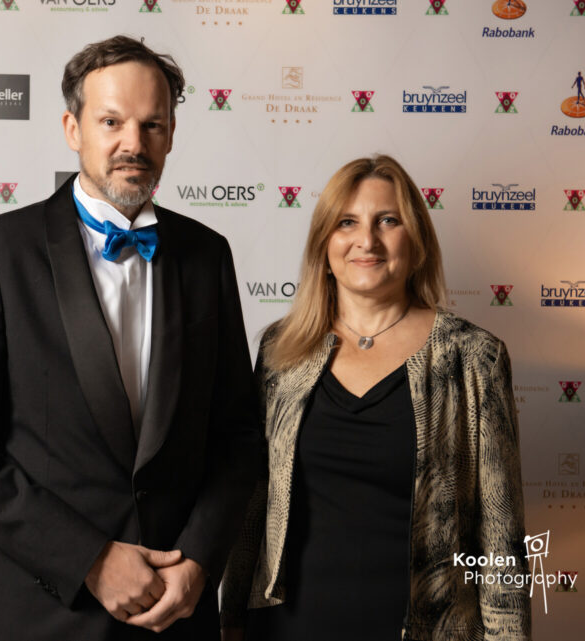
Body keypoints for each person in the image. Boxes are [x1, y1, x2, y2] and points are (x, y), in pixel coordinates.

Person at [0, 35, 259, 641]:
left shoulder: (208, 256)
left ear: (171, 135)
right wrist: (90, 559)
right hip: (37, 616)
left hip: (174, 615)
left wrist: (200, 562)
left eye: (153, 125)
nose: (134, 143)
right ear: (72, 128)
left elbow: (236, 438)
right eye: (112, 122)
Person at [220, 155, 530, 641]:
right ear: (324, 244)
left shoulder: (473, 358)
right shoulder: (281, 352)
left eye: (388, 220)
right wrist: (232, 621)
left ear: (417, 241)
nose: (367, 240)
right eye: (347, 222)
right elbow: (253, 504)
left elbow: (501, 537)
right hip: (286, 627)